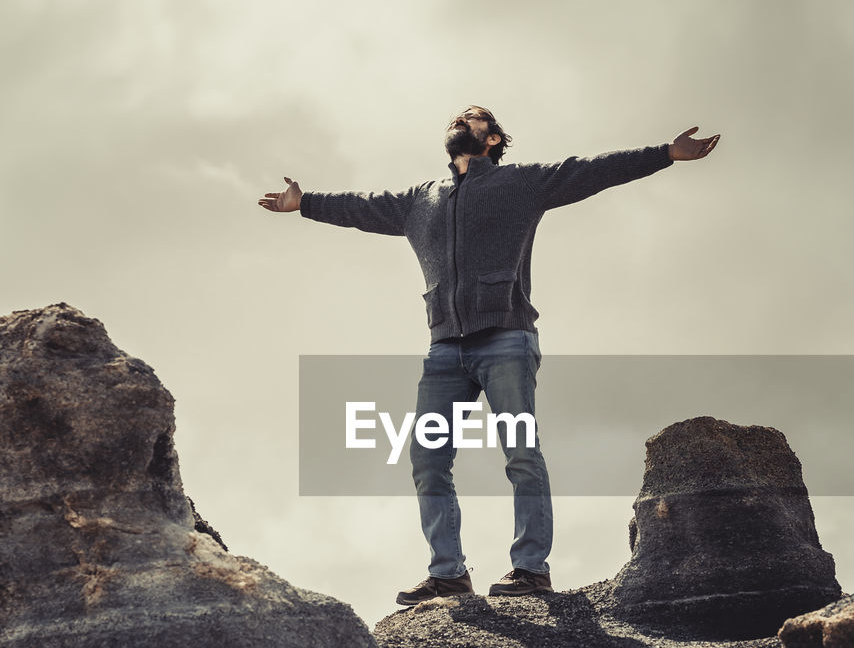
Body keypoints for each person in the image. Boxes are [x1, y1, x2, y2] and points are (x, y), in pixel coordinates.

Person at [259, 108, 719, 605]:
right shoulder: (420, 200)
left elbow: (591, 170)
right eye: (458, 116)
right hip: (444, 351)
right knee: (427, 459)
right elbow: (362, 206)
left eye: (475, 118)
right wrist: (304, 203)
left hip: (506, 339)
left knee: (521, 454)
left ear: (493, 138)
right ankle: (448, 573)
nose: (461, 119)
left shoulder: (522, 184)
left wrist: (666, 154)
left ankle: (530, 570)